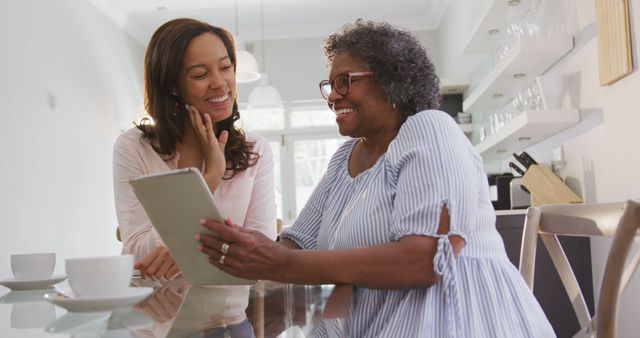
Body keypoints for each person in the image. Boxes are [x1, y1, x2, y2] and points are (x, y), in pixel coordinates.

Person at [196, 19, 554, 337]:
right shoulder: (343, 161)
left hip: (458, 319)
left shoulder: (430, 128)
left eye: (345, 82)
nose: (333, 96)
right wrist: (241, 248)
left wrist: (280, 264)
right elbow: (297, 244)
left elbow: (427, 259)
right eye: (330, 85)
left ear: (393, 81)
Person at [113, 18, 277, 280]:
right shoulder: (134, 147)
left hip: (229, 305)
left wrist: (178, 245)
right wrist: (209, 178)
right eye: (200, 74)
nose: (220, 83)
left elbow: (262, 252)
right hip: (152, 305)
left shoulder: (256, 150)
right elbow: (136, 253)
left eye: (225, 67)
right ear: (172, 85)